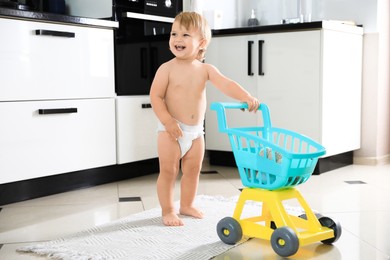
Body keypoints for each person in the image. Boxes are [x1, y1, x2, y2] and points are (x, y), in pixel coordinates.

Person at [149, 11, 260, 226]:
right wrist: (167, 121)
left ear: (201, 42)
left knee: (192, 171)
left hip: (196, 132)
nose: (177, 39)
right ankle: (168, 209)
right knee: (169, 171)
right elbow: (156, 96)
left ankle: (187, 204)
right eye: (174, 34)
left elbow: (226, 84)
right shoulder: (167, 69)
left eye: (185, 35)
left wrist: (246, 97)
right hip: (170, 130)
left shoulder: (205, 69)